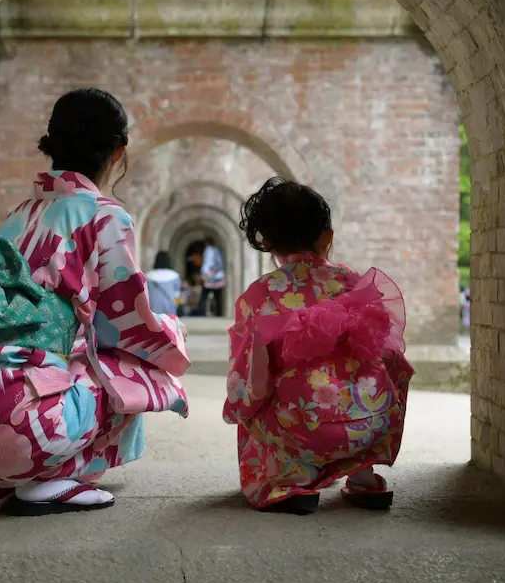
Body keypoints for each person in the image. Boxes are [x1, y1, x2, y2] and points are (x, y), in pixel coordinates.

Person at [0, 88, 191, 516]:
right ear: (118, 153)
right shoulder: (105, 215)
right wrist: (173, 338)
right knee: (133, 367)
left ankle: (11, 480)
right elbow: (124, 321)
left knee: (56, 351)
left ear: (51, 145)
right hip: (25, 426)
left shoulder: (20, 213)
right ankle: (52, 479)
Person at [223, 177, 414, 515]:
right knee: (374, 373)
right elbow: (389, 353)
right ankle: (364, 476)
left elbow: (249, 382)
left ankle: (292, 483)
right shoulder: (354, 282)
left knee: (259, 399)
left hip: (304, 431)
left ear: (267, 243)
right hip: (370, 424)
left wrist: (238, 408)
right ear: (327, 237)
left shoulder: (260, 295)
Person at [147, 251, 183, 316]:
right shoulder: (175, 276)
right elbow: (177, 295)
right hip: (170, 309)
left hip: (153, 309)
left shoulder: (148, 276)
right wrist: (177, 307)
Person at [199, 237, 226, 316]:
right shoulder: (217, 250)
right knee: (218, 298)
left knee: (204, 297)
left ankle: (202, 314)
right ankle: (219, 314)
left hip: (209, 277)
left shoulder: (208, 250)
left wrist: (203, 273)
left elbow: (207, 263)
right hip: (219, 276)